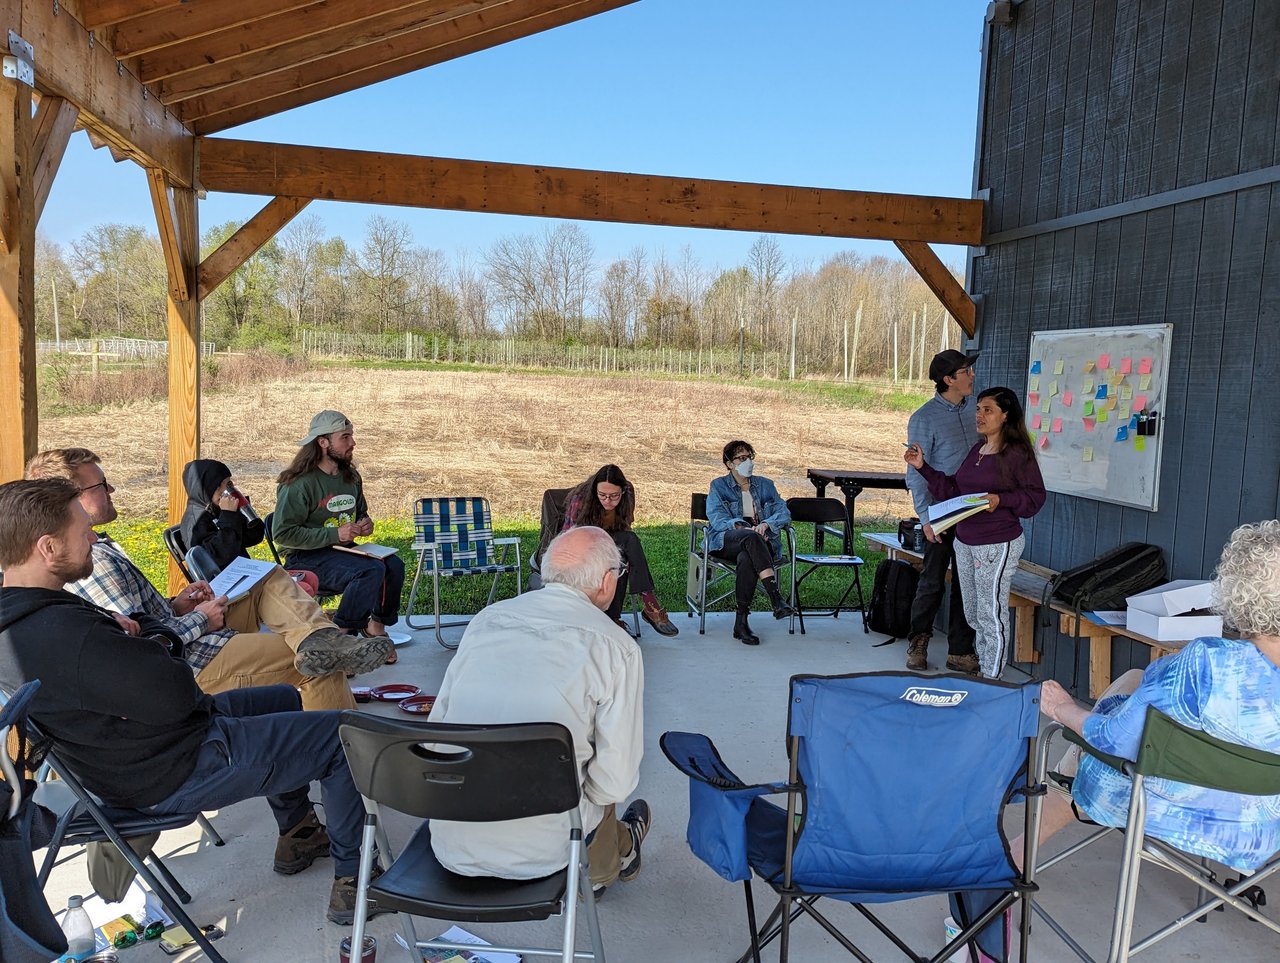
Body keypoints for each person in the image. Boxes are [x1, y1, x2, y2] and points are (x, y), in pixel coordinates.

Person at [0, 478, 391, 924]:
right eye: (82, 530)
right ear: (48, 547)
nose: (93, 537)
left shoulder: (22, 616)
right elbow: (179, 692)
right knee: (341, 733)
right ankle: (356, 881)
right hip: (172, 768)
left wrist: (138, 636)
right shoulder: (66, 634)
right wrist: (149, 642)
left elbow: (137, 680)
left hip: (133, 757)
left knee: (282, 697)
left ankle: (298, 832)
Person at [25, 448, 389, 710]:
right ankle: (346, 764)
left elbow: (135, 621)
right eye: (102, 485)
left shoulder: (93, 547)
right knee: (312, 665)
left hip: (189, 632)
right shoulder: (88, 559)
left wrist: (177, 605)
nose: (112, 491)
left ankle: (321, 638)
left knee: (268, 576)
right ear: (70, 497)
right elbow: (139, 652)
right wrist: (200, 619)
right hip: (190, 661)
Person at [1026, 520, 1280, 874]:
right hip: (1260, 831)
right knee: (1137, 681)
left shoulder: (1206, 663)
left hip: (1163, 808)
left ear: (1237, 590)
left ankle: (1017, 855)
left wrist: (1061, 706)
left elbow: (1113, 739)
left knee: (1092, 734)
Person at [428, 527, 651, 896]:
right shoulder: (618, 647)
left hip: (452, 841)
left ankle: (617, 853)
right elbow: (615, 781)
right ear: (608, 583)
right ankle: (605, 864)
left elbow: (438, 737)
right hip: (548, 852)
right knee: (598, 778)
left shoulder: (486, 621)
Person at [904, 387, 1045, 678]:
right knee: (973, 613)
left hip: (997, 542)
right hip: (964, 542)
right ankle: (984, 664)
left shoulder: (1017, 454)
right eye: (979, 409)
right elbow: (954, 490)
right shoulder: (977, 450)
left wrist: (1000, 500)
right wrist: (923, 467)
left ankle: (991, 680)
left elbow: (1034, 499)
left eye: (988, 410)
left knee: (990, 614)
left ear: (1006, 416)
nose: (979, 415)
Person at [273, 411, 406, 651]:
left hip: (344, 551)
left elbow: (361, 512)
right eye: (345, 437)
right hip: (306, 557)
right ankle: (340, 640)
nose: (352, 443)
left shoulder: (350, 476)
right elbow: (283, 534)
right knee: (370, 570)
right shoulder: (299, 484)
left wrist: (365, 523)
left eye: (351, 436)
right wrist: (336, 535)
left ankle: (375, 628)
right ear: (323, 442)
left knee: (394, 565)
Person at [902, 349, 982, 673]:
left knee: (968, 583)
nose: (972, 376)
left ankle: (960, 651)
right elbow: (915, 472)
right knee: (932, 581)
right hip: (940, 514)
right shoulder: (923, 418)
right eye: (966, 371)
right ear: (949, 380)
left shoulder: (976, 413)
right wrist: (925, 519)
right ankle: (918, 642)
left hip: (974, 513)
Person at [561, 464, 678, 637]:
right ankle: (645, 607)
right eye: (603, 495)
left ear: (622, 491)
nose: (608, 500)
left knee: (626, 548)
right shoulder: (580, 499)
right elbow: (569, 537)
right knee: (619, 555)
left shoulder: (628, 493)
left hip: (613, 541)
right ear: (595, 491)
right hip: (584, 546)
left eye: (614, 496)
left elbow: (625, 526)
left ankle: (623, 614)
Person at [180, 458, 319, 595]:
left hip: (245, 573)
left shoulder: (219, 509)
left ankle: (299, 617)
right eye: (218, 486)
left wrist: (245, 510)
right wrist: (228, 516)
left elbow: (254, 537)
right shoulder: (196, 521)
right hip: (227, 584)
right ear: (203, 489)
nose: (225, 490)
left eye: (228, 484)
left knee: (309, 579)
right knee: (302, 588)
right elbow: (221, 556)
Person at [705, 440, 795, 646]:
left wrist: (766, 524)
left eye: (750, 458)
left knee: (747, 557)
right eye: (742, 458)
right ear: (729, 464)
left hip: (762, 542)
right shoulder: (718, 486)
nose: (748, 462)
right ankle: (776, 598)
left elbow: (784, 512)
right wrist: (742, 528)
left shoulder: (766, 485)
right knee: (750, 538)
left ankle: (741, 622)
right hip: (729, 540)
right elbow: (717, 519)